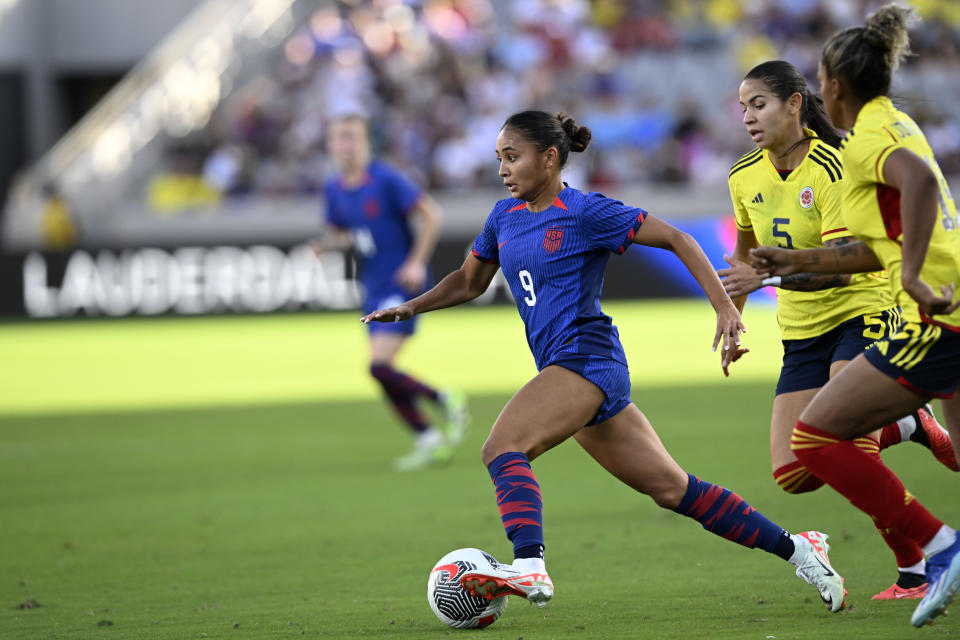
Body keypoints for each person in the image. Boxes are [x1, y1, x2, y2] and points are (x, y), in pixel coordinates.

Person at [363, 110, 847, 614]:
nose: (503, 169)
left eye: (512, 157)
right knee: (672, 489)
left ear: (549, 158)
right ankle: (800, 549)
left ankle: (529, 565)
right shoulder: (502, 218)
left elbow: (678, 239)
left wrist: (725, 307)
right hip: (568, 368)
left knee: (503, 447)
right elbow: (468, 282)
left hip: (587, 359)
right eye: (499, 159)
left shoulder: (585, 212)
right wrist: (412, 305)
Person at [749, 5, 960, 628]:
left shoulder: (864, 140)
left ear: (833, 86)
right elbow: (874, 244)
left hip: (933, 317)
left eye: (819, 80)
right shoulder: (893, 120)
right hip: (948, 307)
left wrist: (916, 275)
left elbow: (920, 184)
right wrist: (793, 259)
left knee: (815, 439)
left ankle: (941, 548)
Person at [316, 114, 468, 471]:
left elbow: (431, 214)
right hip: (373, 286)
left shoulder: (385, 179)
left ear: (367, 141)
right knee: (382, 371)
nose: (346, 145)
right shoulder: (335, 188)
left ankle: (445, 400)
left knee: (378, 365)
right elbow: (342, 233)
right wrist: (326, 245)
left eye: (352, 137)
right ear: (330, 144)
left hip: (402, 284)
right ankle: (428, 438)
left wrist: (416, 262)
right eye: (340, 138)